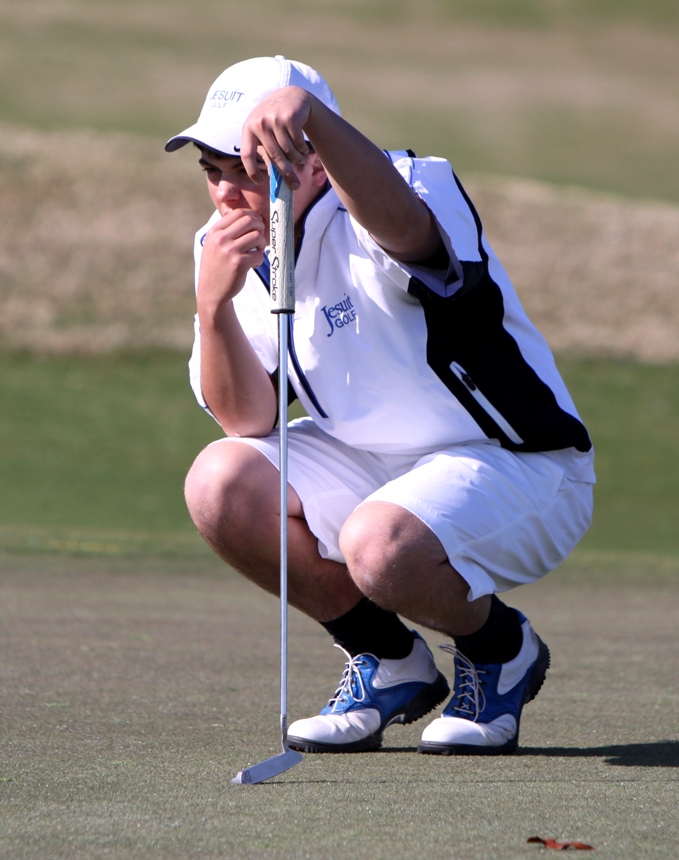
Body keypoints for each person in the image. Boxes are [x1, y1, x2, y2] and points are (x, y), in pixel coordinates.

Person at [165, 56, 594, 755]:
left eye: (247, 166)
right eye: (213, 169)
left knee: (378, 546)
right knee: (219, 482)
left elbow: (402, 228)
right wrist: (212, 307)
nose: (225, 190)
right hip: (372, 467)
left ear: (311, 159)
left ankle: (499, 650)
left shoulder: (409, 183)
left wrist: (314, 117)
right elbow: (246, 420)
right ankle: (390, 661)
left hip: (517, 463)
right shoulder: (223, 245)